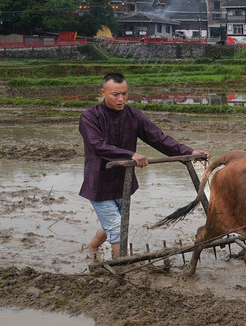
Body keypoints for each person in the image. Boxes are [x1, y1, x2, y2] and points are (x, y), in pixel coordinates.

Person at [79, 72, 208, 261]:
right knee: (116, 226)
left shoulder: (133, 115)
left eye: (124, 93)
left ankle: (90, 250)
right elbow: (98, 145)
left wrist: (189, 153)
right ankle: (127, 265)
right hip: (99, 182)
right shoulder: (90, 117)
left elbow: (159, 139)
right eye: (115, 94)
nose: (121, 98)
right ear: (103, 93)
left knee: (116, 223)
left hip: (124, 182)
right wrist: (130, 154)